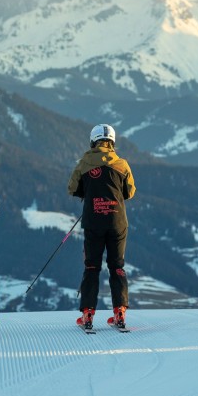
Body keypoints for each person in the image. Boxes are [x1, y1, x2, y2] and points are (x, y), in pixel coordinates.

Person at [67, 124, 136, 330]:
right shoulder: (122, 164)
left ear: (93, 141)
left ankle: (87, 314)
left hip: (93, 221)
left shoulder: (84, 163)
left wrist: (88, 193)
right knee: (117, 266)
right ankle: (120, 313)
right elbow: (130, 192)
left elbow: (72, 188)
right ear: (112, 142)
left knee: (91, 266)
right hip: (117, 222)